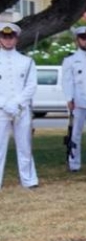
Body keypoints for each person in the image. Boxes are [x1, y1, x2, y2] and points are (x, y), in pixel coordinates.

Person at [0, 21, 39, 190]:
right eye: (4, 37)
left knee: (25, 146)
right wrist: (4, 104)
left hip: (21, 110)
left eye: (11, 37)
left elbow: (31, 86)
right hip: (1, 110)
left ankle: (29, 180)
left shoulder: (27, 61)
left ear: (16, 39)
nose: (8, 40)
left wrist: (17, 103)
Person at [60, 26, 86, 172]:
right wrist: (69, 98)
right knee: (75, 133)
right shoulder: (70, 60)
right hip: (78, 101)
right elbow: (67, 81)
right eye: (83, 39)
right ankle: (74, 163)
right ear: (77, 40)